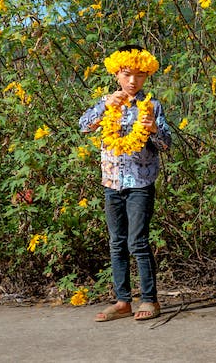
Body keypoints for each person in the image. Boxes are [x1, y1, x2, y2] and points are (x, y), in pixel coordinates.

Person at [79, 45, 172, 322]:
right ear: (116, 73)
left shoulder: (152, 106)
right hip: (112, 182)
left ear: (147, 76)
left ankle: (149, 299)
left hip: (141, 183)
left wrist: (154, 128)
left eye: (140, 75)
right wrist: (105, 107)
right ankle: (122, 301)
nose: (133, 81)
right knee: (116, 243)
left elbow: (165, 144)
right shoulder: (106, 103)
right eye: (127, 74)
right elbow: (83, 125)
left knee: (138, 242)